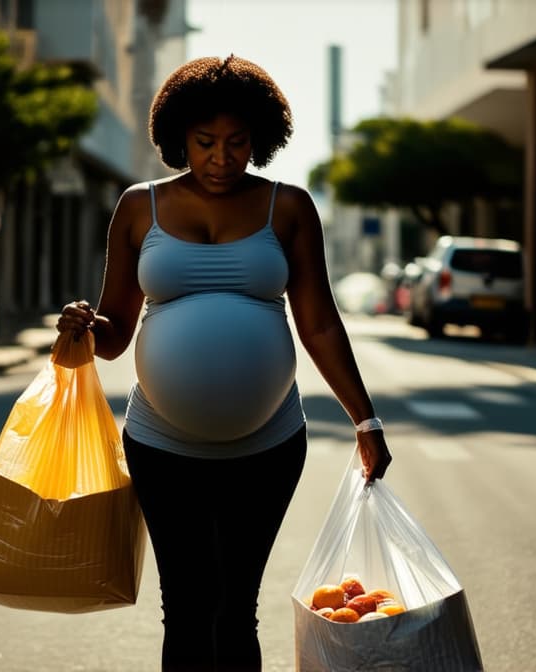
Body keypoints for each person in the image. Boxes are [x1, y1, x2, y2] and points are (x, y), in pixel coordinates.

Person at [55, 55, 391, 672]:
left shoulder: (288, 208)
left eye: (238, 143)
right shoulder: (139, 206)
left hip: (268, 446)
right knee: (184, 607)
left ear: (259, 140)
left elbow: (318, 323)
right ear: (179, 136)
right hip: (161, 443)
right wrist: (85, 327)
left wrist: (365, 421)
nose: (221, 157)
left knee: (236, 608)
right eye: (206, 142)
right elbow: (115, 336)